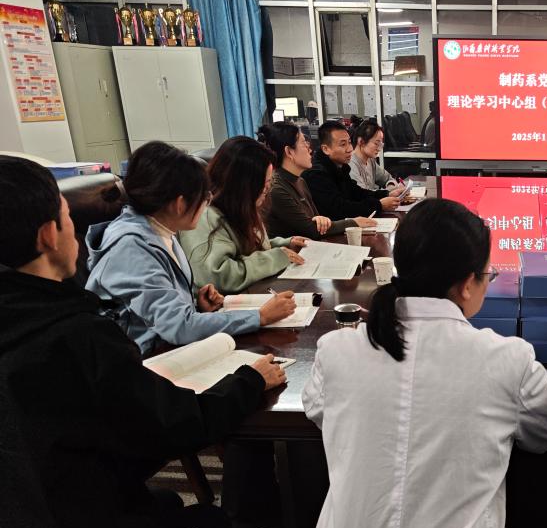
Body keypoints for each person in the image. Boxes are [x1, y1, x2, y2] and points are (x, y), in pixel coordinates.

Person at [0, 156, 286, 528]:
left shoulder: (41, 323)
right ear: (49, 234)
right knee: (213, 525)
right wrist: (250, 380)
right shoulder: (76, 336)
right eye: (69, 218)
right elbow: (174, 426)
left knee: (165, 501)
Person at [302, 198, 547, 528]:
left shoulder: (337, 350)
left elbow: (317, 409)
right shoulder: (505, 359)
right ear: (467, 285)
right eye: (488, 274)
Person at [85, 142, 297, 356]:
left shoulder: (160, 230)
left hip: (167, 347)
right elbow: (179, 327)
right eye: (204, 197)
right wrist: (259, 317)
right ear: (180, 204)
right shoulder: (131, 248)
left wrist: (196, 304)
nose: (207, 204)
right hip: (145, 358)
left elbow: (166, 313)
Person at [180, 136, 307, 294]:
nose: (267, 190)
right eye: (265, 184)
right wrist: (276, 257)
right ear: (243, 184)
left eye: (270, 183)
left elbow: (245, 248)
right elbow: (217, 276)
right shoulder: (204, 217)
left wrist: (285, 244)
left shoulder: (239, 207)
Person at [258, 122, 375, 240]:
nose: (310, 149)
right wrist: (353, 222)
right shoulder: (277, 188)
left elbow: (319, 221)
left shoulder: (300, 181)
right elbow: (312, 229)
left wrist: (321, 220)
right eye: (304, 143)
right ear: (289, 152)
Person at [303, 120, 404, 220]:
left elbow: (357, 193)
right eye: (343, 144)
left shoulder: (341, 166)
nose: (350, 149)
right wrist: (379, 205)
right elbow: (340, 209)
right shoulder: (316, 175)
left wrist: (387, 194)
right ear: (326, 149)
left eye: (349, 142)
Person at [349, 118, 403, 194]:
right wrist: (387, 193)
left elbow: (388, 178)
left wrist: (391, 187)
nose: (379, 148)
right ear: (361, 141)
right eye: (376, 143)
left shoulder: (370, 160)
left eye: (381, 144)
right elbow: (362, 195)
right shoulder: (351, 164)